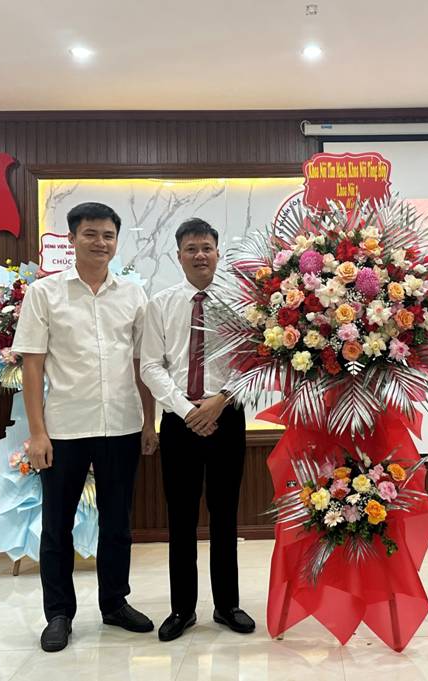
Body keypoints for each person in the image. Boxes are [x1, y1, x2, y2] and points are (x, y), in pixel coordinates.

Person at [13, 202, 158, 652]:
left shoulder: (133, 294)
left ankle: (115, 604)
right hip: (64, 429)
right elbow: (32, 367)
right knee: (57, 526)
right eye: (91, 234)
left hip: (121, 425)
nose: (100, 242)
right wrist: (37, 433)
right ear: (72, 239)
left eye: (108, 235)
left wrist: (148, 422)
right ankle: (58, 614)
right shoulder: (45, 294)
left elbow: (143, 364)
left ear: (117, 241)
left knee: (118, 523)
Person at [140, 217, 255, 642]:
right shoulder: (161, 303)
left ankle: (227, 605)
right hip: (178, 422)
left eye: (206, 247)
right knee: (182, 517)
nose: (200, 255)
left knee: (225, 515)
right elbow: (151, 363)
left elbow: (252, 362)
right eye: (191, 248)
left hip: (227, 416)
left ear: (218, 252)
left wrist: (219, 401)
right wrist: (185, 409)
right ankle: (182, 609)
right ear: (179, 255)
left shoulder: (242, 304)